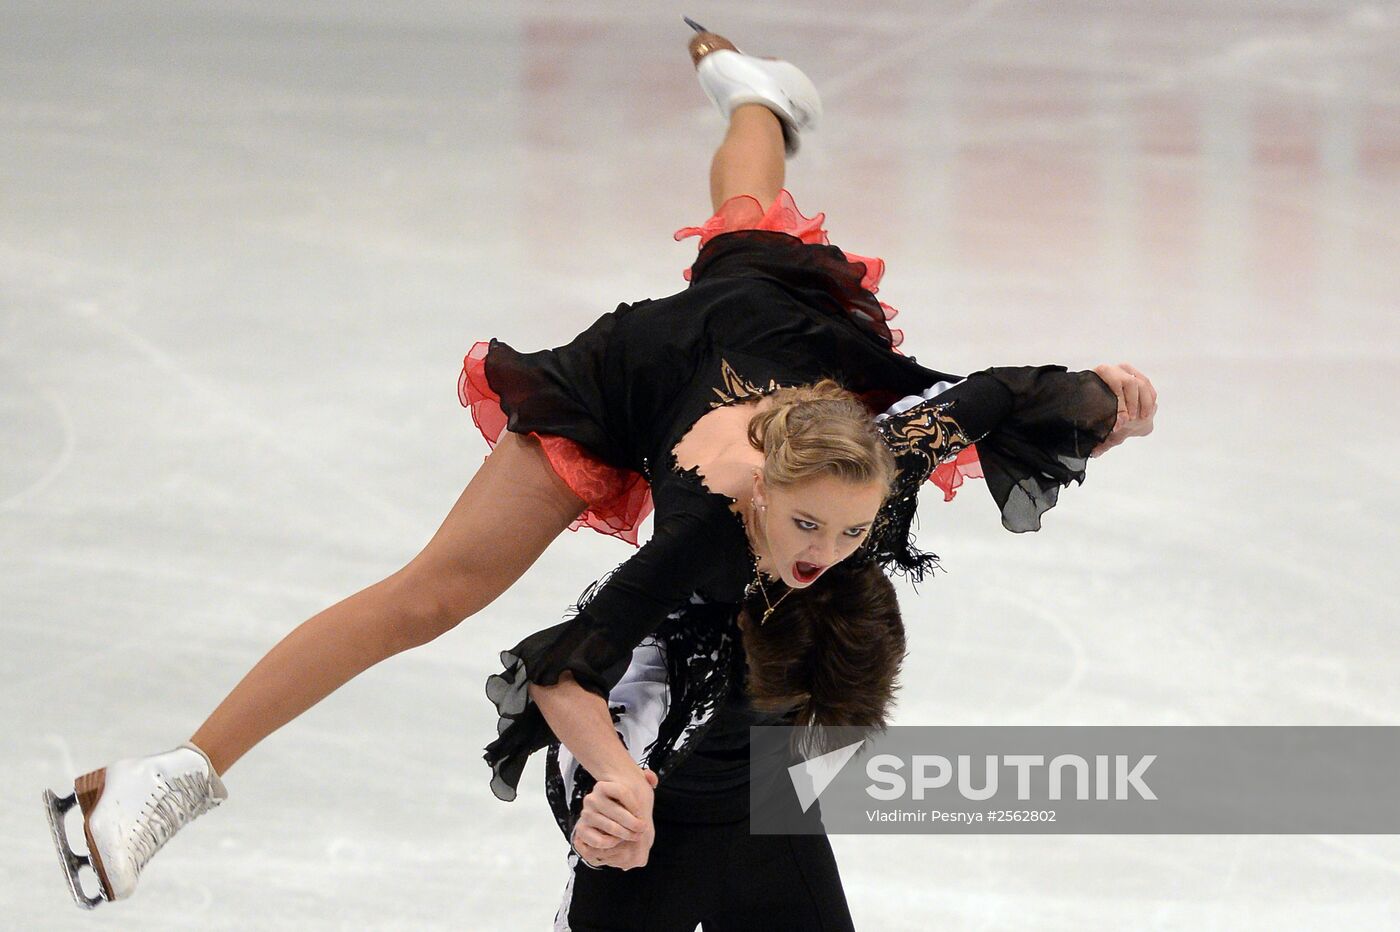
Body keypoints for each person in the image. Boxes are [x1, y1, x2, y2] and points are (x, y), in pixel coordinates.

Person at [41, 19, 1157, 912]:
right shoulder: (706, 531)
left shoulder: (878, 454)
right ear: (759, 493)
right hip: (642, 371)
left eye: (844, 531)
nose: (825, 553)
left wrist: (1109, 396)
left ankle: (751, 90)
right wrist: (618, 775)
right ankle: (170, 777)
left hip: (764, 321)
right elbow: (559, 663)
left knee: (745, 220)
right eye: (804, 530)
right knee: (435, 588)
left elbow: (1008, 391)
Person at [523, 555, 906, 931]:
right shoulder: (674, 648)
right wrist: (603, 817)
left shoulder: (841, 576)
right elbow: (601, 726)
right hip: (651, 849)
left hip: (774, 826)